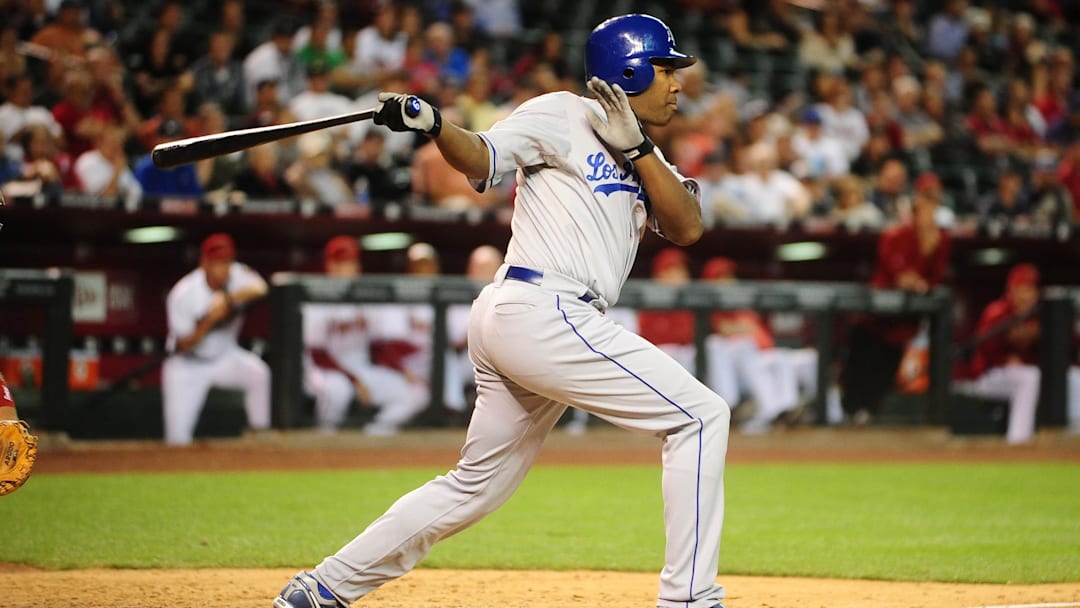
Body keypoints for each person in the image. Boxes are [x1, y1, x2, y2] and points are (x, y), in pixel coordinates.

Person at [273, 13, 729, 608]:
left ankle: (322, 588)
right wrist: (436, 124)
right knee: (700, 416)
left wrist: (640, 150)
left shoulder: (650, 156)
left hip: (541, 317)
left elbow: (688, 227)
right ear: (630, 71)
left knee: (475, 486)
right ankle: (690, 600)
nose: (677, 82)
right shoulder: (561, 113)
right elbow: (483, 157)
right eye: (666, 69)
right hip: (540, 307)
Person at [839, 191, 950, 425]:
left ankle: (868, 414)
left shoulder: (939, 239)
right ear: (914, 214)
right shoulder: (895, 235)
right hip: (874, 316)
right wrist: (914, 278)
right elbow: (898, 273)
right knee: (859, 364)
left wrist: (929, 254)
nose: (929, 217)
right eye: (924, 211)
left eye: (932, 211)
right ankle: (847, 412)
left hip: (902, 322)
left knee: (886, 369)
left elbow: (935, 278)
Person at [303, 236, 428, 435]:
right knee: (338, 391)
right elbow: (318, 354)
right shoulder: (315, 298)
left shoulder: (365, 298)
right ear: (330, 265)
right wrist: (354, 380)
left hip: (360, 366)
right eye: (342, 263)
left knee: (415, 393)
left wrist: (401, 370)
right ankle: (324, 437)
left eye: (352, 262)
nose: (349, 268)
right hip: (325, 369)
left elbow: (380, 346)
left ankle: (374, 434)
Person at [161, 233, 271, 446]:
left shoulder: (237, 274)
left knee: (259, 375)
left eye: (227, 261)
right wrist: (209, 321)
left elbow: (261, 288)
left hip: (224, 357)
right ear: (205, 263)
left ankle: (260, 435)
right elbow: (184, 344)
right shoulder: (184, 293)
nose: (225, 268)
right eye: (219, 263)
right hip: (188, 364)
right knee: (177, 441)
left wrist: (228, 298)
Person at [969, 264, 1080, 444]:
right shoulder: (997, 311)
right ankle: (1018, 442)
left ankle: (1074, 440)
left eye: (1030, 289)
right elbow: (982, 350)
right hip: (991, 376)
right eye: (1020, 289)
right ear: (1010, 290)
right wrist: (1004, 357)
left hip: (1031, 373)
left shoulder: (1044, 313)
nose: (1025, 295)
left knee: (1074, 378)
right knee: (1030, 378)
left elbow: (1070, 344)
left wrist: (1040, 334)